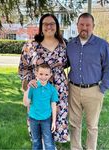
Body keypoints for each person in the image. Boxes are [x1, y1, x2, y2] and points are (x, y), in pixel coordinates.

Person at [18, 13, 69, 143]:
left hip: (58, 88)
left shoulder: (64, 44)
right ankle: (41, 143)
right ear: (41, 27)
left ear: (57, 26)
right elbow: (23, 68)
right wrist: (30, 83)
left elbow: (71, 62)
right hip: (38, 88)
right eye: (45, 24)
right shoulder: (31, 46)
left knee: (57, 115)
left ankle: (51, 144)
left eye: (52, 23)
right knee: (39, 115)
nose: (49, 26)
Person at [67, 13, 109, 150]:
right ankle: (76, 148)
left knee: (92, 126)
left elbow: (108, 67)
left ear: (93, 26)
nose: (84, 28)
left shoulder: (102, 45)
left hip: (94, 90)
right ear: (77, 26)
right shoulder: (70, 45)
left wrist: (103, 88)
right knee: (74, 123)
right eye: (81, 24)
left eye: (88, 25)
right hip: (73, 89)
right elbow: (65, 63)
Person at [23, 63, 58, 150]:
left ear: (50, 75)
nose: (43, 77)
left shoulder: (52, 89)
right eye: (41, 74)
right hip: (33, 119)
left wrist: (54, 121)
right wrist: (27, 89)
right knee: (36, 141)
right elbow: (26, 103)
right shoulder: (33, 87)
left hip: (46, 119)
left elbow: (53, 106)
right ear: (36, 73)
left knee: (48, 142)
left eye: (46, 74)